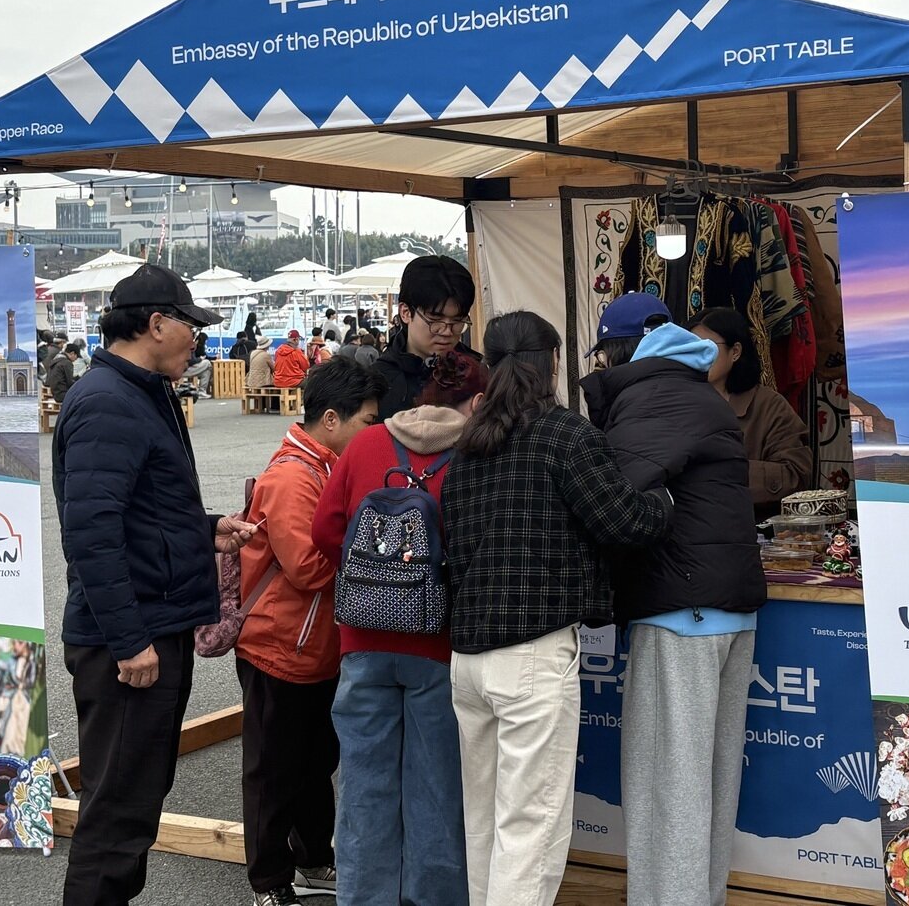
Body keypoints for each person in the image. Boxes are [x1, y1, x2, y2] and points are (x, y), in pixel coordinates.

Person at [440, 311, 673, 906]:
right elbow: (624, 521)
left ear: (489, 368)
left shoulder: (468, 445)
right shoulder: (565, 435)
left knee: (486, 822)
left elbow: (457, 550)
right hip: (532, 658)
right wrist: (666, 496)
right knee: (531, 830)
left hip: (468, 658)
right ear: (552, 364)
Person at [53, 264, 257, 905]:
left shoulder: (141, 392)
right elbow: (91, 533)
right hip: (129, 637)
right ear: (155, 323)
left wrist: (204, 530)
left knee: (134, 801)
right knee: (117, 812)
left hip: (150, 623)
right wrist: (128, 640)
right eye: (190, 325)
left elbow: (141, 510)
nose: (197, 338)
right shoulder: (109, 401)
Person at [582, 293, 764, 906]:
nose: (602, 364)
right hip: (722, 609)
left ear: (621, 349)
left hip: (682, 613)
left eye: (605, 352)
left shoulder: (653, 395)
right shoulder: (693, 391)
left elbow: (613, 498)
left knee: (670, 792)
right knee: (704, 792)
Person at [313, 350, 490, 906]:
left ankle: (362, 897)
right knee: (435, 788)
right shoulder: (474, 453)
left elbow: (323, 530)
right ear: (477, 401)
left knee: (364, 786)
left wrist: (373, 579)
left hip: (362, 641)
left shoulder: (366, 444)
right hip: (437, 645)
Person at [236, 357, 386, 906]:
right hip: (278, 644)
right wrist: (374, 561)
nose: (375, 430)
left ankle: (313, 860)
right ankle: (269, 880)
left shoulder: (323, 465)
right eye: (368, 420)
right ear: (331, 418)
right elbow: (307, 566)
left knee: (313, 765)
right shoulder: (292, 475)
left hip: (313, 646)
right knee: (273, 771)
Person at [688, 307, 811, 520]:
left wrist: (725, 473)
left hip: (753, 530)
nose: (697, 355)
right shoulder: (677, 401)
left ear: (735, 351)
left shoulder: (768, 406)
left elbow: (796, 475)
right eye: (690, 347)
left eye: (706, 347)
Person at [373, 255, 477, 421]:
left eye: (457, 321)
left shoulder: (477, 373)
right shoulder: (376, 381)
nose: (447, 331)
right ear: (406, 313)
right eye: (435, 320)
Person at [180, 329, 214, 397]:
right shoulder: (189, 347)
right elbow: (191, 361)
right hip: (184, 369)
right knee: (207, 363)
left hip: (188, 368)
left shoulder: (191, 346)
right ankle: (210, 383)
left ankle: (202, 391)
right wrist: (200, 359)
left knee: (206, 371)